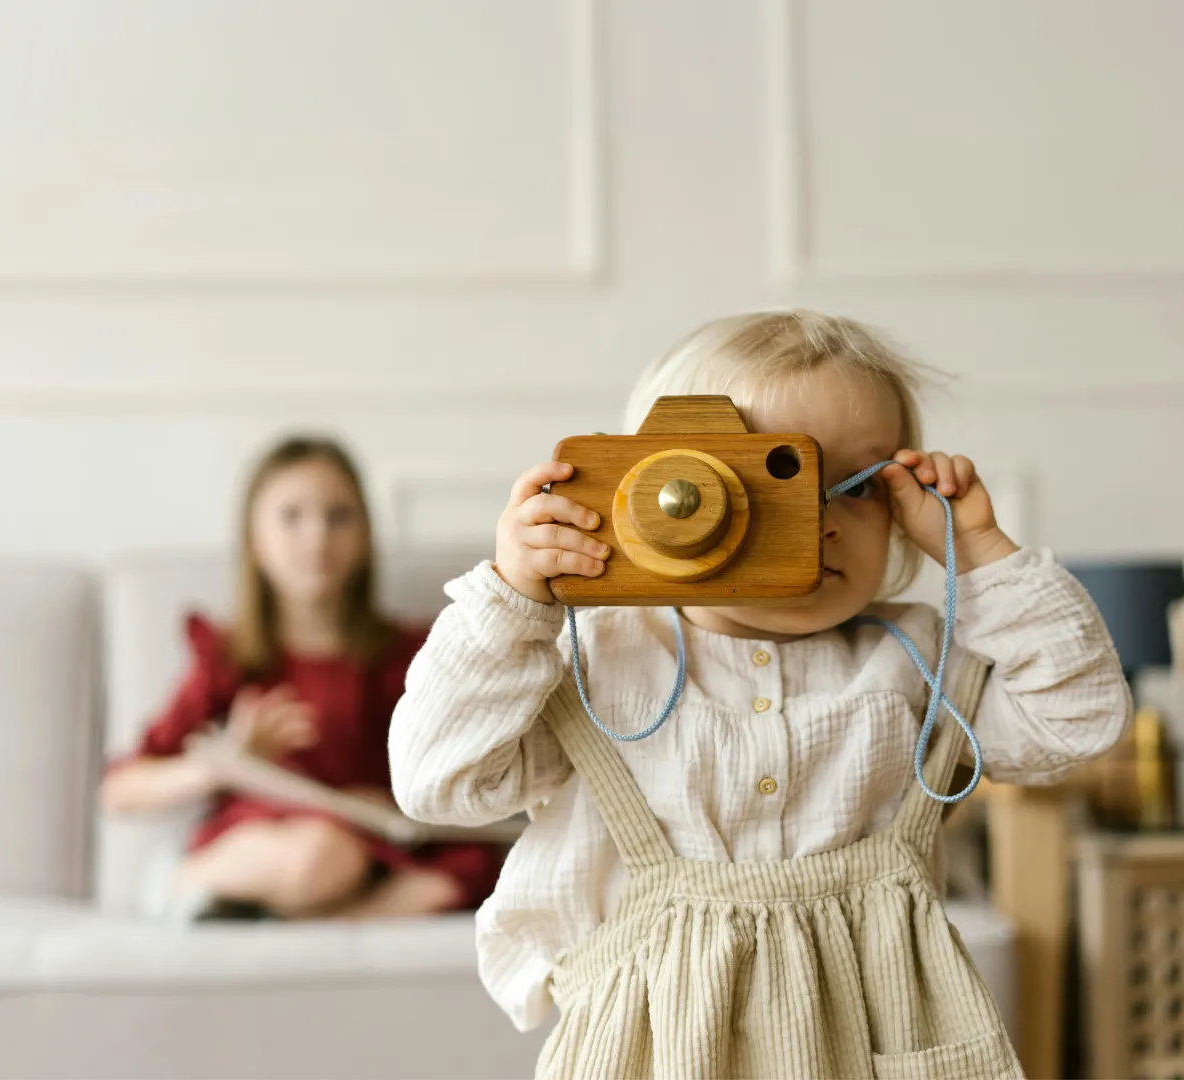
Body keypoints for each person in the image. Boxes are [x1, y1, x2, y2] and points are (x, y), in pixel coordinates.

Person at [388, 310, 1130, 1078]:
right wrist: (512, 603)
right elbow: (439, 782)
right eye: (769, 480)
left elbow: (1080, 721)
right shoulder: (596, 663)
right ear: (663, 494)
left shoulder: (914, 666)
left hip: (882, 1047)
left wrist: (980, 555)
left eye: (859, 488)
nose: (819, 521)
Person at [103, 435, 503, 922]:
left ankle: (296, 921)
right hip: (277, 839)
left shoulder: (408, 656)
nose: (317, 537)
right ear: (255, 540)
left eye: (338, 517)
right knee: (320, 855)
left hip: (374, 842)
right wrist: (224, 765)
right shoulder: (231, 659)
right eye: (291, 517)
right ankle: (185, 881)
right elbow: (120, 789)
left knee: (467, 874)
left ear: (364, 536)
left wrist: (396, 803)